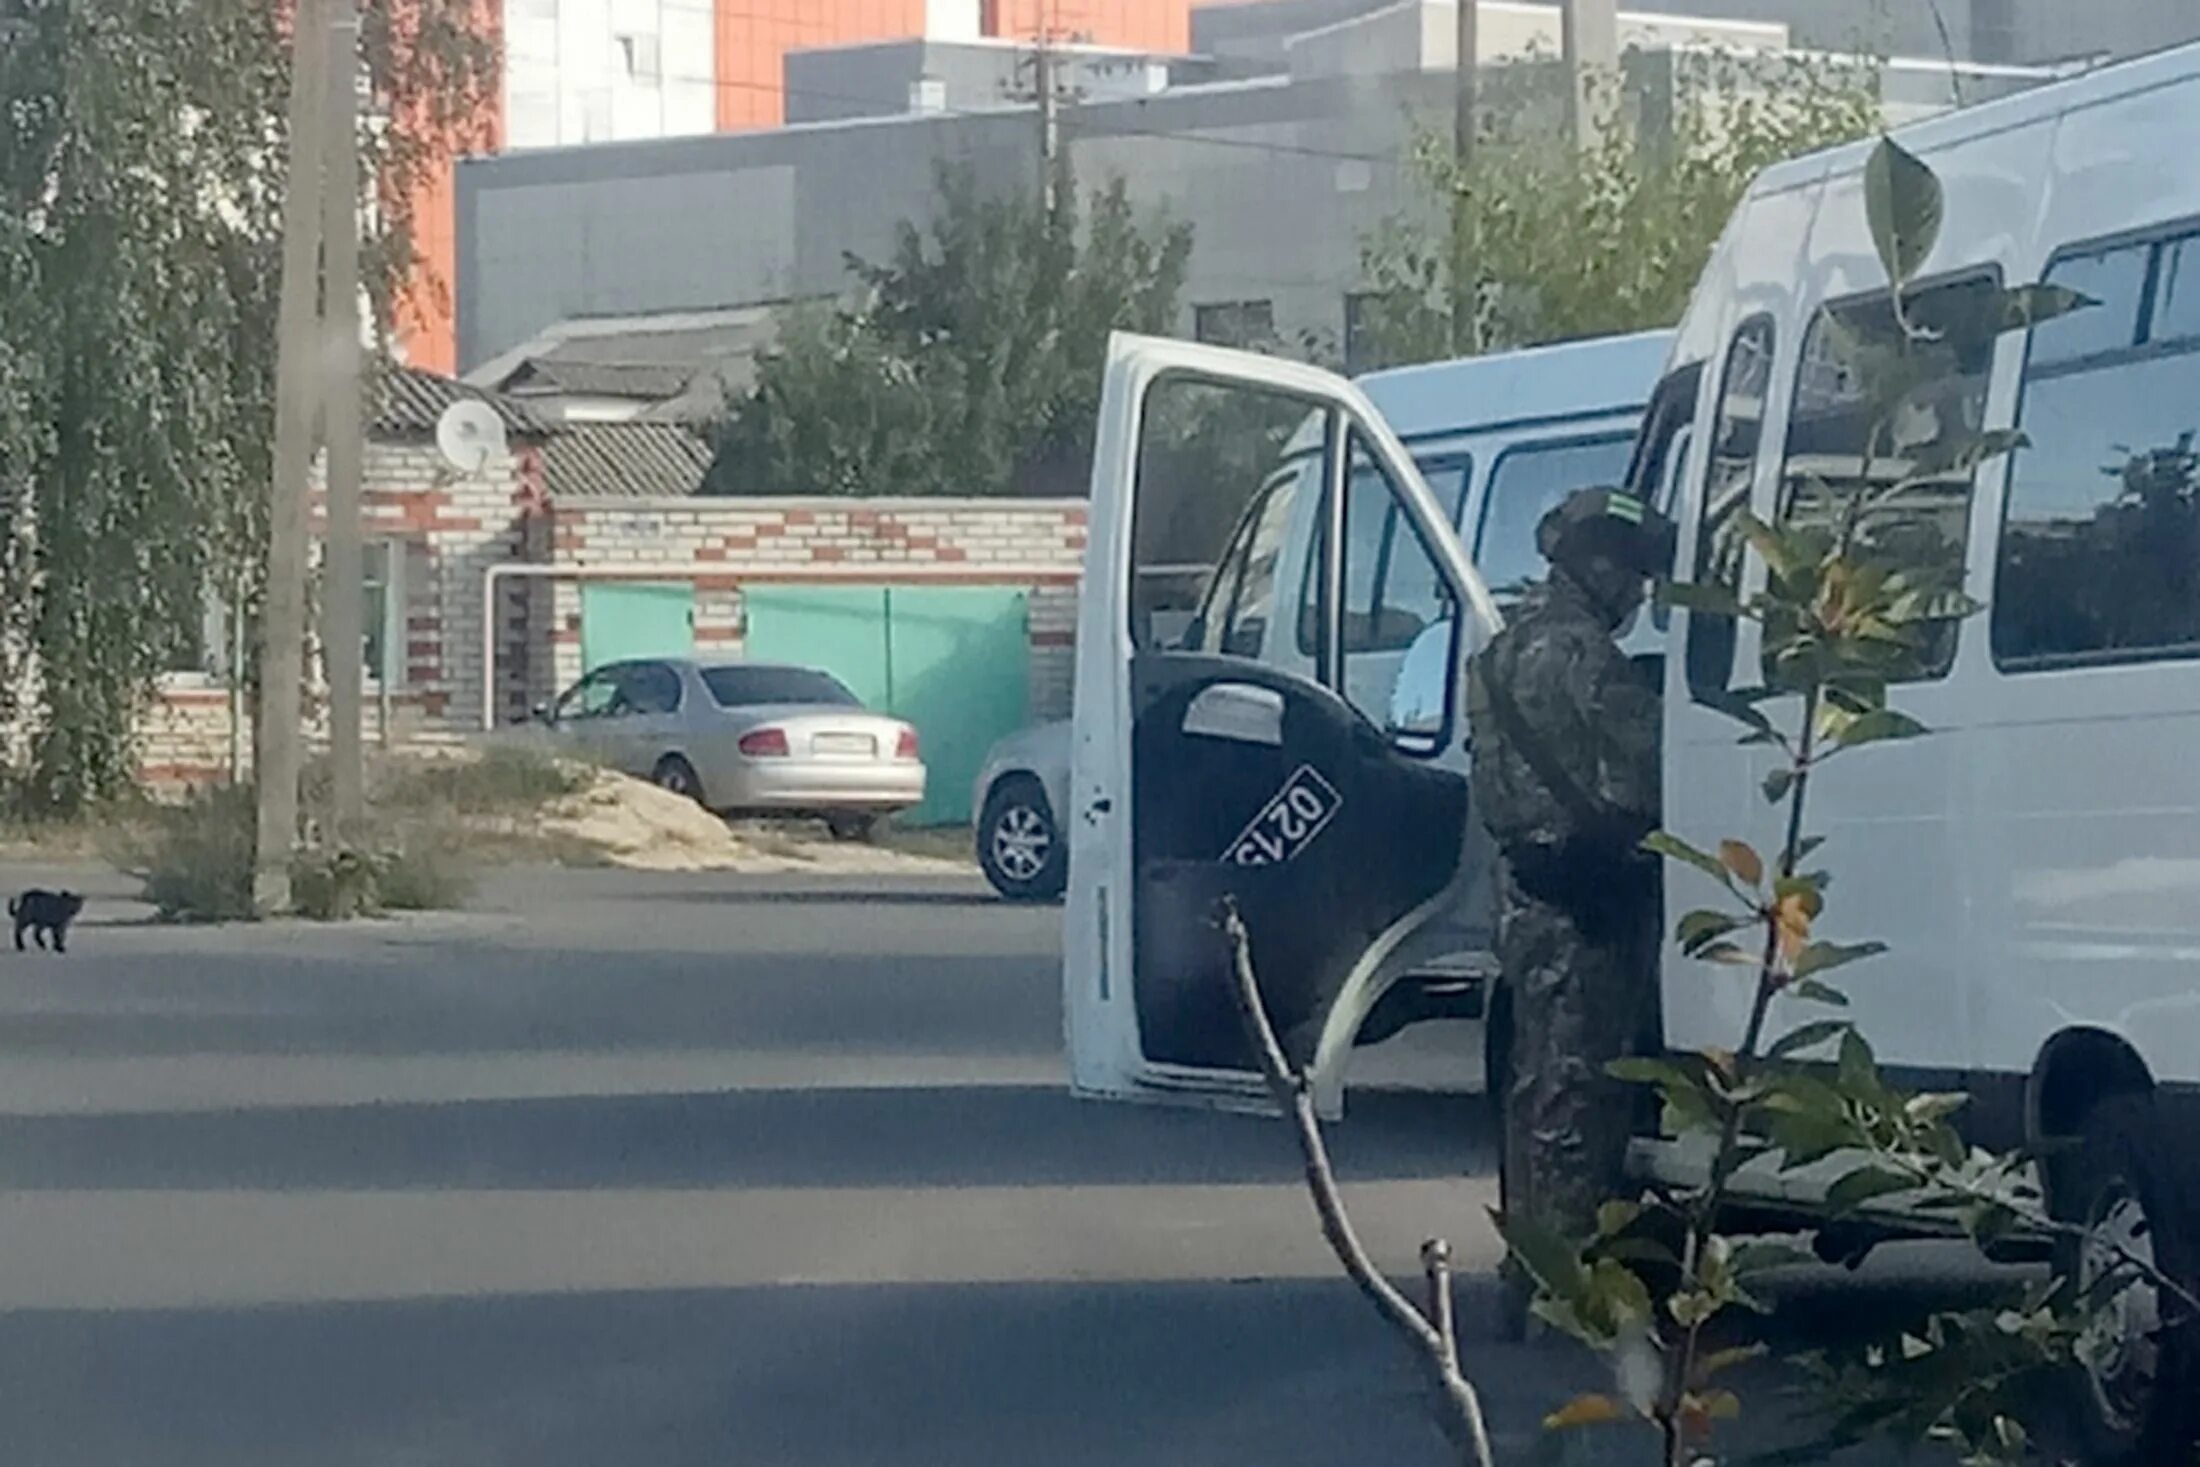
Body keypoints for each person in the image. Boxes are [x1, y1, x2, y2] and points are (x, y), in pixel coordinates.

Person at [1468, 485, 1676, 1289]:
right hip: (1590, 901)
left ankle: (1528, 1253)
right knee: (1578, 1092)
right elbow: (1652, 771)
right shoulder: (1588, 658)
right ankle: (1560, 1273)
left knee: (1533, 1082)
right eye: (1630, 573)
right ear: (1595, 565)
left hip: (1526, 894)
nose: (1637, 592)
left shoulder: (1497, 651)